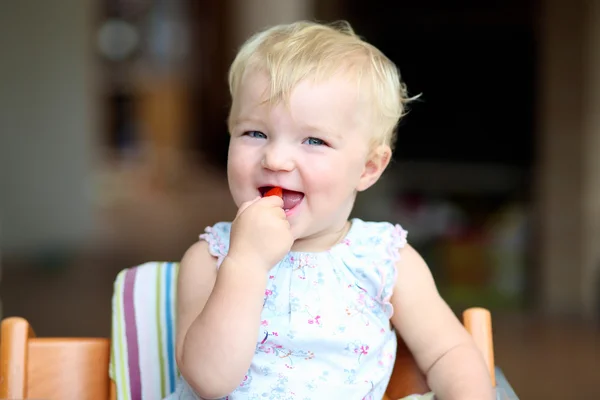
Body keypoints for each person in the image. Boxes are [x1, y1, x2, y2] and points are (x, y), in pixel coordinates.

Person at [170, 20, 494, 400]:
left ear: (368, 168)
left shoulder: (385, 259)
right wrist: (246, 264)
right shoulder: (210, 259)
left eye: (313, 140)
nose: (275, 159)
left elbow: (448, 353)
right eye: (254, 133)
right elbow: (209, 381)